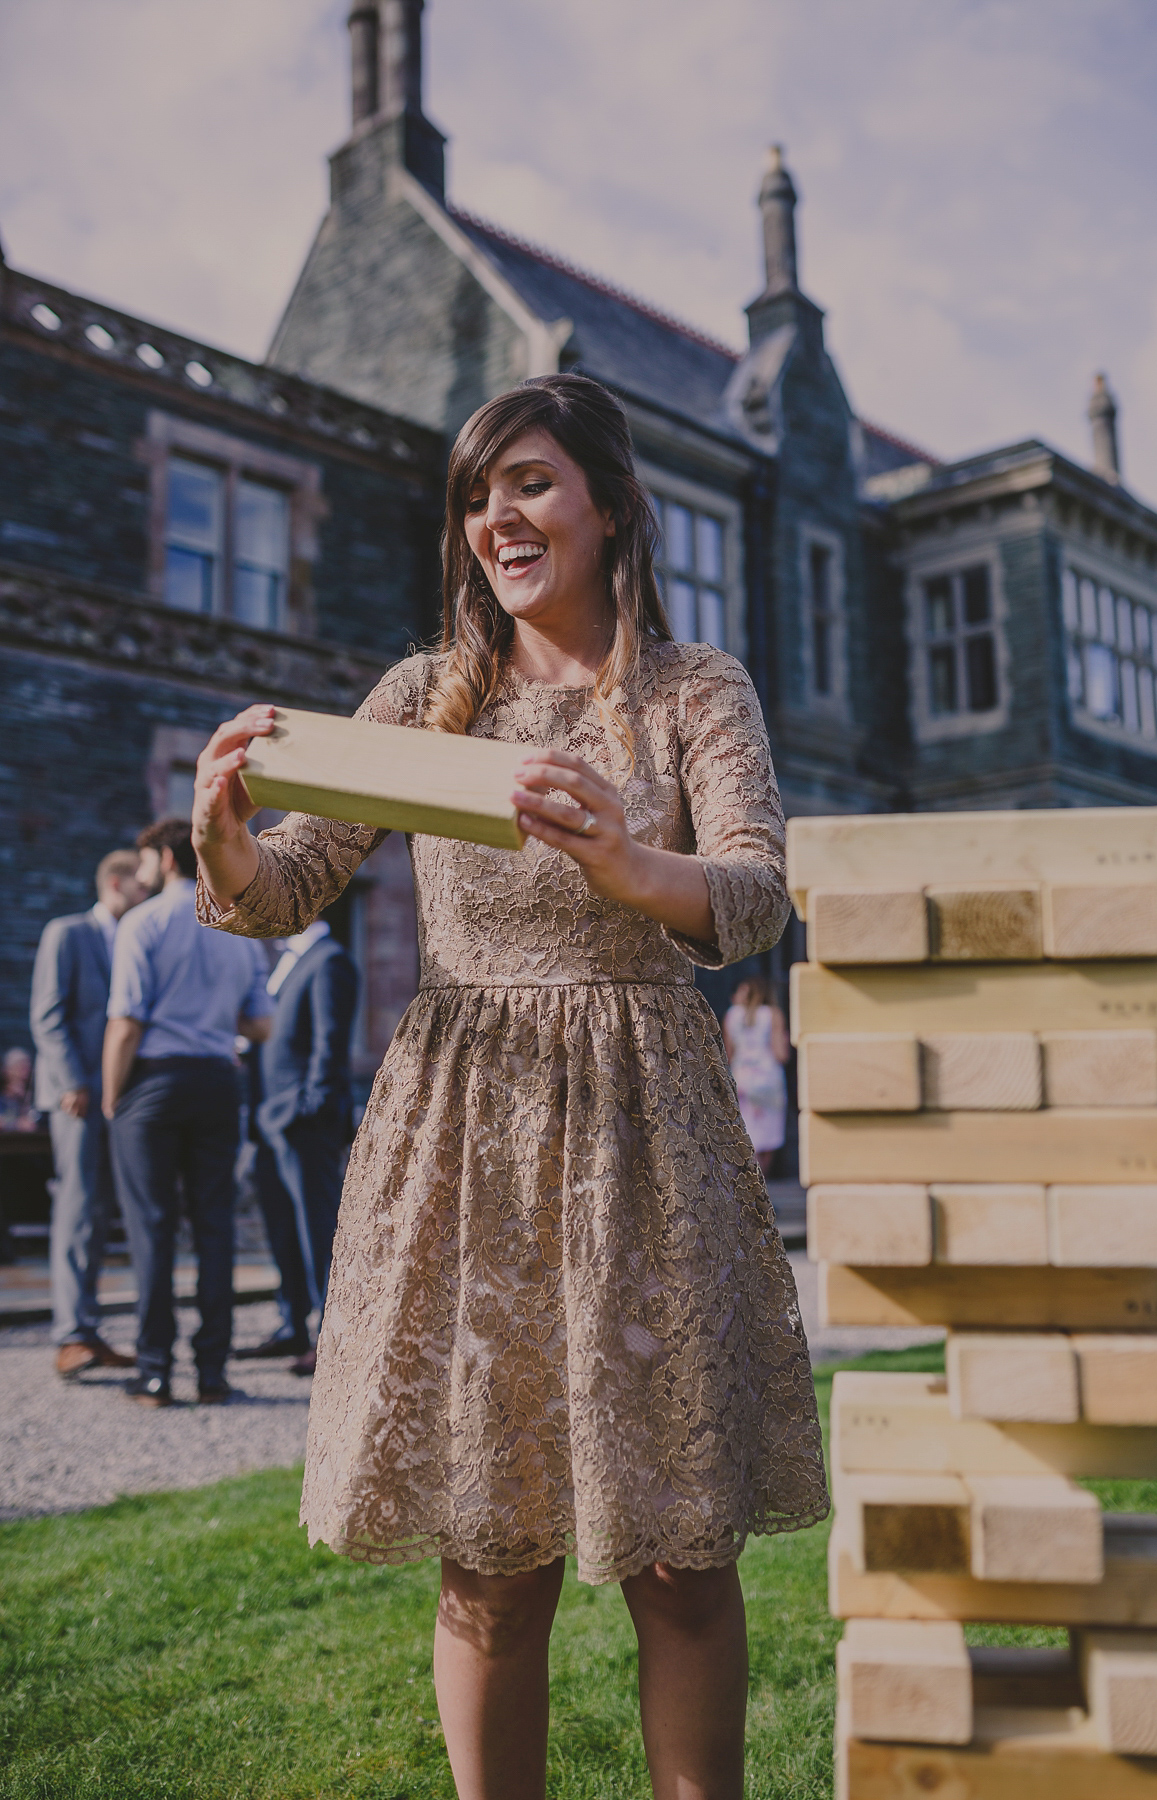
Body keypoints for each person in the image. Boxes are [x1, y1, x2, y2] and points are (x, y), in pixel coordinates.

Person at [192, 373, 828, 1799]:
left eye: (531, 482)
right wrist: (224, 835)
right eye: (480, 495)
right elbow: (287, 883)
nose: (499, 516)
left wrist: (624, 862)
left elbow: (756, 895)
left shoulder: (690, 688)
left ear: (609, 507)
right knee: (491, 1549)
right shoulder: (427, 698)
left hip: (642, 1126)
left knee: (676, 1550)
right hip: (466, 1125)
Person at [102, 818, 273, 1407]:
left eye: (146, 861)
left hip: (153, 1084)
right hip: (217, 1081)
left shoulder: (141, 923)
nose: (141, 871)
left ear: (166, 861)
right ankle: (213, 1371)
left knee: (151, 1229)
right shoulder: (236, 929)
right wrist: (213, 1011)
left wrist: (110, 1093)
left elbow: (125, 1021)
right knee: (215, 1226)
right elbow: (261, 1024)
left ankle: (154, 1371)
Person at [29, 849, 145, 1376]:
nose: (146, 894)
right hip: (75, 1098)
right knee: (76, 1212)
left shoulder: (134, 941)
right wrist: (73, 1082)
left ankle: (90, 1331)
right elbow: (48, 1017)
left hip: (119, 1100)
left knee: (99, 1218)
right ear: (117, 883)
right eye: (140, 886)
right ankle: (69, 1335)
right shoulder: (67, 932)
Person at [235, 916, 358, 1375]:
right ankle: (292, 1324)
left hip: (303, 1122)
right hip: (268, 1119)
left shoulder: (331, 961)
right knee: (282, 1228)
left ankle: (331, 1335)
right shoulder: (285, 960)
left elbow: (331, 1042)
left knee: (317, 1229)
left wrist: (311, 1107)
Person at [723, 977, 790, 1177]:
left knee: (746, 1134)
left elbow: (728, 1055)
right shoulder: (772, 1014)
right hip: (767, 1080)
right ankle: (763, 1187)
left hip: (741, 1079)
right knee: (768, 1137)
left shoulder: (731, 1015)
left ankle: (748, 1186)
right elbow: (780, 1054)